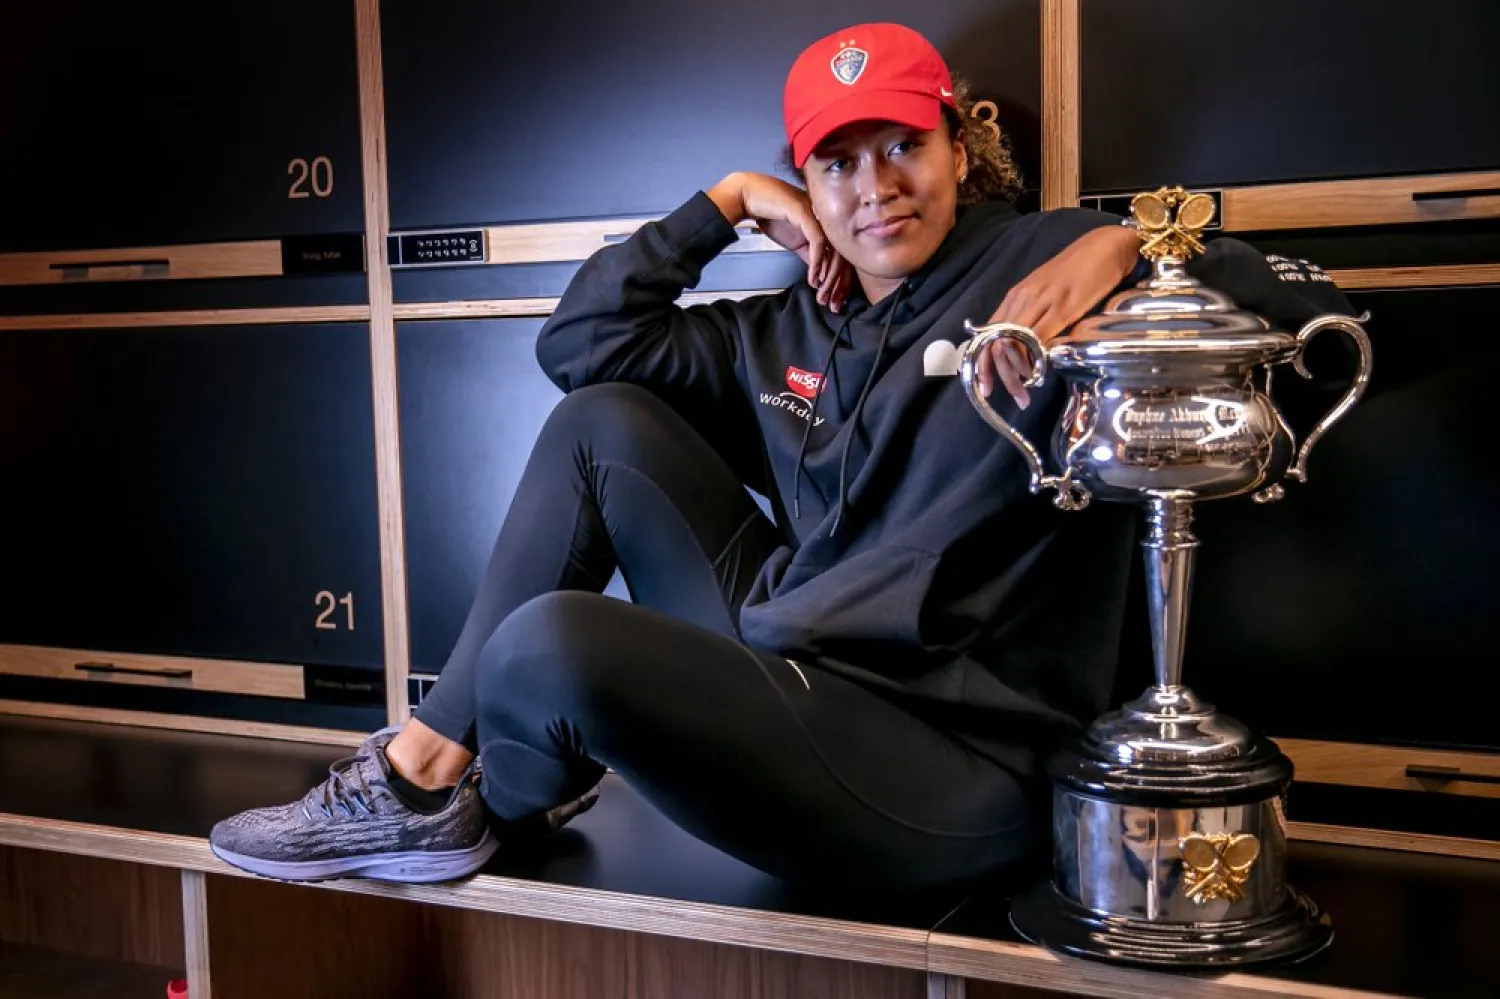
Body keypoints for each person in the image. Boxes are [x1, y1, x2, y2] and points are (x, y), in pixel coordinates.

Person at [209, 22, 1358, 893]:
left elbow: (1315, 315)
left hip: (952, 759)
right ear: (805, 186)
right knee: (597, 425)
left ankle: (476, 801)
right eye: (837, 164)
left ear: (960, 144)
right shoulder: (788, 323)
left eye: (904, 145)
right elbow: (581, 345)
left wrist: (1123, 248)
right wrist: (719, 205)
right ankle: (421, 786)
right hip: (788, 679)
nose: (877, 188)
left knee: (547, 648)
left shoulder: (1041, 263)